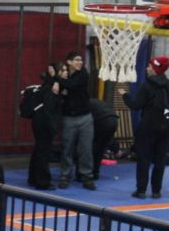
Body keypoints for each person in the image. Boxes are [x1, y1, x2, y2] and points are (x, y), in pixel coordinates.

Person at [119, 56, 169, 199]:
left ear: (155, 68)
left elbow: (136, 106)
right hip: (166, 128)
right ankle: (156, 191)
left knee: (144, 159)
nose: (147, 68)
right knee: (160, 160)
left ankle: (141, 190)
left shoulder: (146, 86)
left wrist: (125, 95)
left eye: (150, 66)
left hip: (147, 127)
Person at [57, 51, 96, 190]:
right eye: (76, 60)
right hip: (68, 118)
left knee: (85, 149)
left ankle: (87, 176)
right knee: (67, 148)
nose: (80, 62)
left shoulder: (83, 74)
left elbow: (71, 85)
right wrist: (60, 81)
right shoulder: (65, 76)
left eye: (81, 60)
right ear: (69, 62)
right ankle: (64, 176)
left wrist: (57, 79)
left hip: (85, 117)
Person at [27, 63, 64, 190]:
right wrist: (52, 126)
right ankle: (42, 181)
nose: (65, 73)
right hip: (44, 122)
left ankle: (33, 178)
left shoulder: (49, 83)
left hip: (40, 121)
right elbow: (49, 108)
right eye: (62, 70)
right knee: (43, 151)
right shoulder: (51, 86)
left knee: (39, 149)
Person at [89, 97, 119, 181]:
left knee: (94, 148)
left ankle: (89, 173)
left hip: (102, 120)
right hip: (114, 120)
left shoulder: (87, 104)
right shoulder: (97, 102)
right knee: (101, 149)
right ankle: (95, 173)